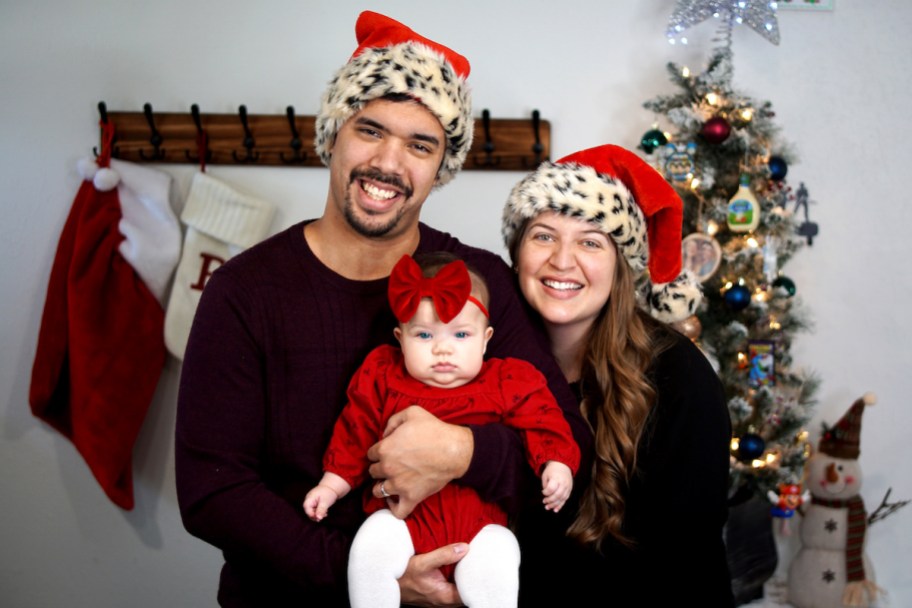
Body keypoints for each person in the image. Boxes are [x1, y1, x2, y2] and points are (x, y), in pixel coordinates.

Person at [174, 11, 590, 607]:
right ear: (334, 135)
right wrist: (372, 578)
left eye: (420, 144)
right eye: (370, 130)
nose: (390, 164)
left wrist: (465, 452)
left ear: (440, 167)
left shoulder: (480, 283)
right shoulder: (244, 292)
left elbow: (568, 451)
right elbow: (214, 492)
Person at [502, 144, 734, 605]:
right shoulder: (483, 356)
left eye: (590, 242)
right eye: (543, 236)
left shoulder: (679, 380)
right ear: (516, 252)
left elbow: (687, 567)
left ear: (620, 267)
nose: (562, 261)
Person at [304, 252, 579, 608]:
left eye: (461, 334)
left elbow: (544, 420)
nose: (442, 348)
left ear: (486, 339)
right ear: (400, 338)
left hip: (479, 528)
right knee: (370, 548)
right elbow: (355, 433)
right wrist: (330, 485)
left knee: (499, 558)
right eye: (424, 334)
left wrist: (556, 464)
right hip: (401, 521)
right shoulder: (384, 375)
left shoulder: (508, 380)